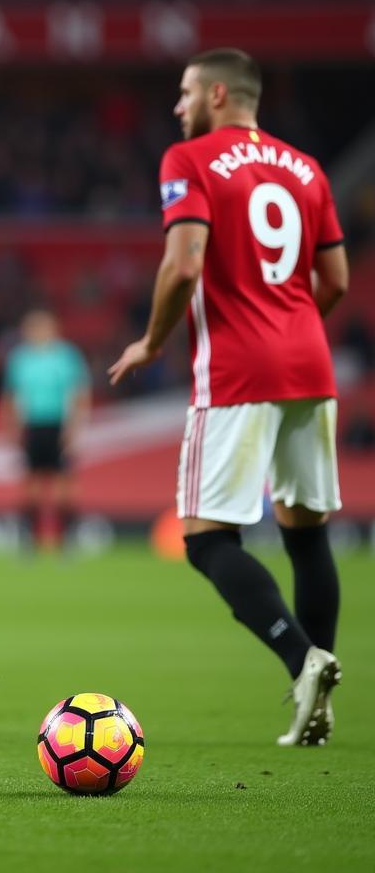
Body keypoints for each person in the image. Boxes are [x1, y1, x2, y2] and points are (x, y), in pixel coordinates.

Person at [109, 47, 348, 746]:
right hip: (311, 364)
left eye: (184, 93)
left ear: (217, 95)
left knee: (207, 539)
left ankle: (302, 658)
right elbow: (332, 279)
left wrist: (153, 342)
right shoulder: (307, 167)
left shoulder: (188, 160)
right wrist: (292, 326)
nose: (177, 107)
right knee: (307, 533)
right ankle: (317, 696)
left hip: (239, 370)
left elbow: (184, 263)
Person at [1, 310, 90, 548]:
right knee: (32, 483)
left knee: (63, 484)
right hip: (32, 425)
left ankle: (66, 539)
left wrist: (73, 427)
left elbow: (78, 394)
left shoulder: (67, 356)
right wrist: (11, 426)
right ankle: (29, 538)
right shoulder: (20, 358)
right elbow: (13, 396)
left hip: (58, 424)